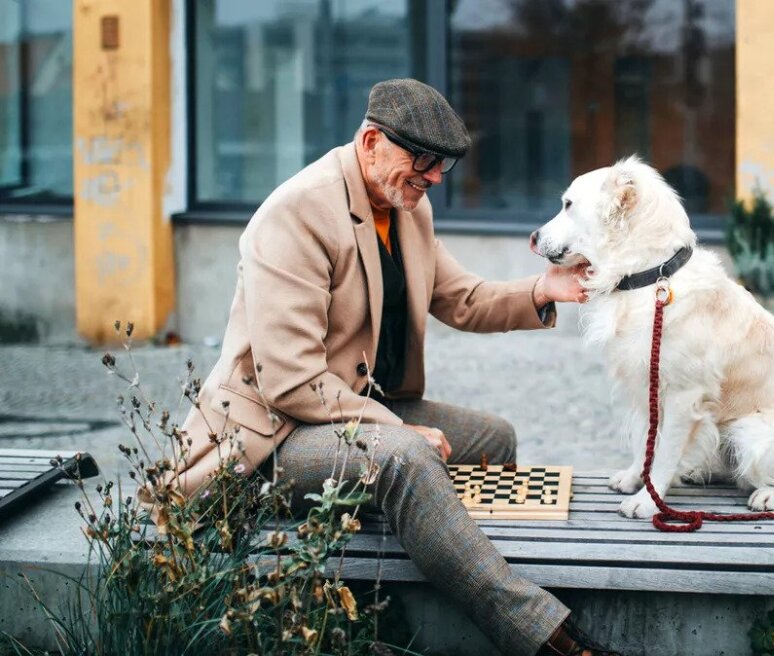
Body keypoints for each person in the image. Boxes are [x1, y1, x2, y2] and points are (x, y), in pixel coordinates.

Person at [169, 79, 616, 656]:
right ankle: (543, 636)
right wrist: (396, 430)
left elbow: (464, 298)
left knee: (492, 438)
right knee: (406, 457)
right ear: (372, 141)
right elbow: (291, 380)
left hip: (356, 410)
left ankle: (434, 587)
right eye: (423, 162)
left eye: (443, 167)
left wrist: (543, 287)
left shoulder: (406, 207)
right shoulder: (296, 214)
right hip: (273, 437)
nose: (433, 179)